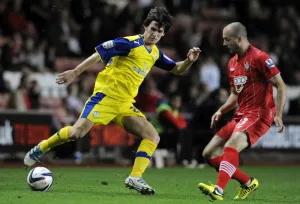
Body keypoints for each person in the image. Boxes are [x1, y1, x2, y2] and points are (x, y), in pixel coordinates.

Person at [23, 6, 201, 195]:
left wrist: (189, 60)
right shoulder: (129, 43)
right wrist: (75, 72)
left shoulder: (155, 53)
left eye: (160, 31)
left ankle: (135, 177)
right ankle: (41, 148)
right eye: (153, 29)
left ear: (164, 34)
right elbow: (98, 54)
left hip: (124, 105)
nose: (155, 34)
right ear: (145, 27)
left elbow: (176, 69)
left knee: (152, 136)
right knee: (76, 133)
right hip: (105, 98)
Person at [197, 22, 287, 201]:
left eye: (227, 40)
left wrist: (278, 114)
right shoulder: (232, 63)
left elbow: (281, 85)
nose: (224, 44)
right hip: (241, 115)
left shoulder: (260, 57)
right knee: (208, 154)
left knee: (231, 145)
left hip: (259, 114)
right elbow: (234, 94)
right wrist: (221, 110)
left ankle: (218, 190)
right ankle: (248, 182)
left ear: (239, 39)